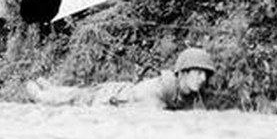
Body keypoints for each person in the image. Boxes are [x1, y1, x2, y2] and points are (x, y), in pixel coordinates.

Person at [24, 47, 216, 111]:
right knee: (67, 99)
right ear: (183, 72)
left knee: (75, 93)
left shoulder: (187, 92)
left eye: (205, 74)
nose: (203, 78)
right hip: (111, 98)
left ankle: (50, 86)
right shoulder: (155, 93)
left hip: (121, 90)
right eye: (198, 72)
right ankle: (36, 90)